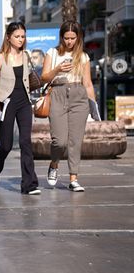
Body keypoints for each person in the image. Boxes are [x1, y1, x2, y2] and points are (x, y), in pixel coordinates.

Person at [40, 21, 97, 192]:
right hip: (58, 93)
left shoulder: (84, 57)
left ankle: (74, 178)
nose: (69, 41)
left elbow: (87, 83)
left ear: (78, 38)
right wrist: (57, 69)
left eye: (73, 38)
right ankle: (54, 164)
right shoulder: (53, 53)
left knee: (75, 141)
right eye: (66, 38)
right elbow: (43, 77)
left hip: (79, 96)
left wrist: (94, 107)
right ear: (61, 37)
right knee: (60, 141)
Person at [0, 22, 40, 195]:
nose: (20, 40)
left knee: (26, 142)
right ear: (8, 37)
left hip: (24, 102)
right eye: (17, 36)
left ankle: (29, 184)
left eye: (23, 36)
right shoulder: (0, 57)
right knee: (6, 145)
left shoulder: (26, 55)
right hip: (7, 103)